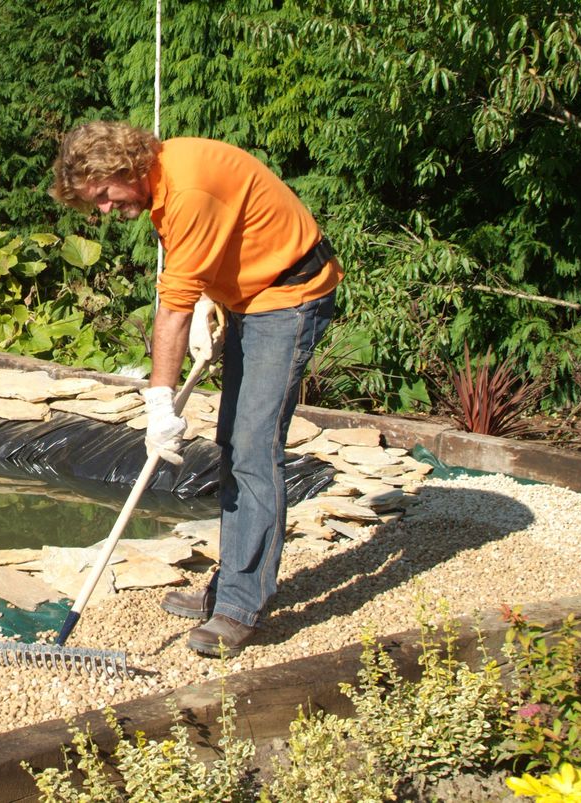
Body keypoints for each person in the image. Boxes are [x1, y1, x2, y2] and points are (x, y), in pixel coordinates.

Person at [49, 121, 342, 657]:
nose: (106, 211)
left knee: (254, 449)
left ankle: (239, 606)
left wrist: (158, 404)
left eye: (105, 197)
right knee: (233, 444)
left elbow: (171, 308)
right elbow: (212, 242)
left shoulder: (186, 188)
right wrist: (214, 297)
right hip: (250, 293)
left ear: (122, 168)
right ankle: (228, 587)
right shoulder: (164, 176)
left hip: (289, 296)